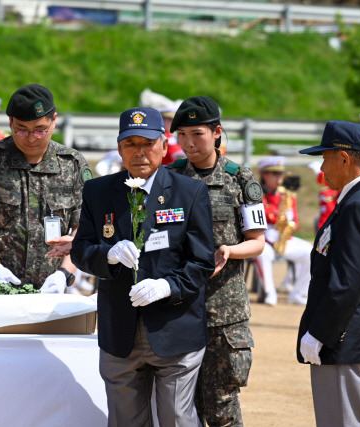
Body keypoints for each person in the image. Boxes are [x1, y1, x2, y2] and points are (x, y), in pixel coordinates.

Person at [70, 107, 215, 426]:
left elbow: (203, 261)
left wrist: (168, 286)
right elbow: (81, 250)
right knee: (125, 420)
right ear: (119, 147)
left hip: (175, 327)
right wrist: (108, 254)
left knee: (177, 418)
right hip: (120, 331)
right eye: (131, 144)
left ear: (164, 146)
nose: (140, 152)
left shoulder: (189, 192)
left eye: (148, 143)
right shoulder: (98, 192)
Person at [167, 96, 266, 426]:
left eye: (197, 134)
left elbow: (257, 243)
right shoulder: (169, 178)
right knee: (180, 403)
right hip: (178, 307)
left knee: (223, 403)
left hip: (224, 311)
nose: (189, 143)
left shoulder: (240, 179)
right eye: (181, 135)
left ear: (217, 133)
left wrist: (229, 250)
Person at [297, 120, 360, 427]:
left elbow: (349, 281)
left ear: (344, 158)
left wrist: (320, 334)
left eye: (325, 158)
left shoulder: (358, 204)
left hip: (344, 341)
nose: (322, 169)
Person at [0, 84, 92, 294]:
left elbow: (83, 225)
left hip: (51, 290)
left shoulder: (73, 164)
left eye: (40, 130)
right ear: (10, 122)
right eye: (22, 130)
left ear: (54, 121)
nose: (31, 138)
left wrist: (64, 274)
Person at [254, 156, 312, 306]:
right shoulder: (257, 193)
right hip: (263, 237)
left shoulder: (287, 196)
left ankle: (298, 293)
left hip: (283, 238)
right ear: (264, 174)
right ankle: (269, 293)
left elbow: (296, 222)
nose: (279, 177)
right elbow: (262, 215)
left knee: (311, 252)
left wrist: (290, 224)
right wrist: (277, 217)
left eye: (280, 174)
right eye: (274, 174)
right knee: (263, 253)